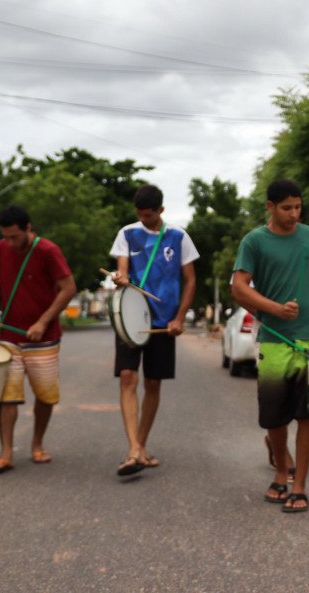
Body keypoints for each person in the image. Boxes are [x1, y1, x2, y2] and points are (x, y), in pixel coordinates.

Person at [231, 179, 309, 513]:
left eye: (298, 207)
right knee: (275, 416)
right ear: (270, 207)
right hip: (275, 339)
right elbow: (238, 286)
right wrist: (274, 309)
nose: (294, 214)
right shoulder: (254, 241)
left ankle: (300, 483)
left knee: (308, 415)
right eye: (287, 208)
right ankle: (280, 471)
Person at [0, 205, 76, 475]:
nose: (9, 242)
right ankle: (6, 453)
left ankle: (37, 443)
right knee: (7, 397)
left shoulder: (48, 251)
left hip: (43, 339)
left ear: (28, 228)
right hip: (9, 336)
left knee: (45, 397)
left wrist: (43, 321)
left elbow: (69, 288)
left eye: (14, 237)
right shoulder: (0, 249)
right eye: (5, 236)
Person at [109, 184, 198, 476]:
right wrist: (120, 277)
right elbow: (122, 268)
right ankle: (134, 448)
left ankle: (141, 446)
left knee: (154, 383)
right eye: (140, 214)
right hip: (131, 320)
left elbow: (190, 280)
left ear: (161, 210)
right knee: (127, 377)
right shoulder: (127, 233)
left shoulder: (178, 236)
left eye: (149, 215)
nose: (144, 219)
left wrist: (180, 318)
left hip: (163, 322)